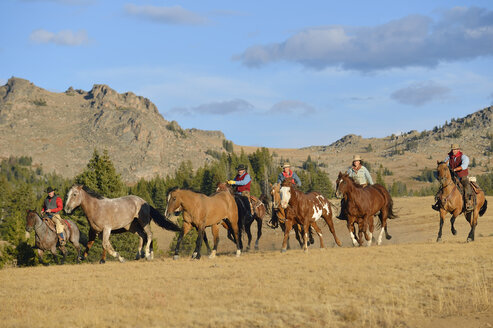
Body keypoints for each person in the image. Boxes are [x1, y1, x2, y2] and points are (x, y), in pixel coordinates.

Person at [432, 144, 475, 212]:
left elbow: (464, 166)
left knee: (467, 187)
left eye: (455, 149)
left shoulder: (464, 157)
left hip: (462, 176)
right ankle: (438, 203)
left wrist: (455, 169)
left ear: (458, 149)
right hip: (453, 177)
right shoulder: (448, 158)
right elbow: (445, 165)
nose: (453, 151)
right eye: (452, 149)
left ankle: (468, 203)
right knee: (443, 187)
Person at [337, 155, 373, 220]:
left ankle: (373, 210)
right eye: (354, 161)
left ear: (359, 162)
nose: (355, 162)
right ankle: (342, 214)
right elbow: (346, 178)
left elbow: (369, 177)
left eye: (357, 161)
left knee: (369, 198)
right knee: (344, 199)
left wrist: (372, 185)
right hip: (354, 188)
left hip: (363, 187)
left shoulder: (363, 169)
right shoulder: (350, 170)